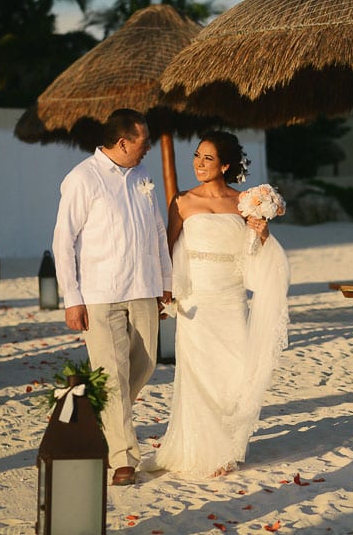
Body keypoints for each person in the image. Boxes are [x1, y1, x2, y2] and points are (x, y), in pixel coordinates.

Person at [145, 130, 289, 478]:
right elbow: (168, 247)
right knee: (198, 374)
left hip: (231, 297)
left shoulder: (242, 203)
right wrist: (165, 291)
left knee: (234, 372)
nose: (199, 163)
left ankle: (227, 446)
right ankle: (203, 450)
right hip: (197, 299)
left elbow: (252, 252)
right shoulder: (181, 201)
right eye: (197, 155)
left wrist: (261, 232)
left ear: (225, 165)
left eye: (208, 158)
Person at [52, 108, 172, 486]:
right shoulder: (81, 179)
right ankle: (123, 457)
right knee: (113, 375)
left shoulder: (143, 176)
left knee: (147, 362)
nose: (148, 147)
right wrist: (72, 298)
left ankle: (93, 410)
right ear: (123, 142)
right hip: (100, 293)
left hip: (144, 287)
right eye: (143, 141)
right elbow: (62, 241)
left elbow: (157, 231)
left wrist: (164, 284)